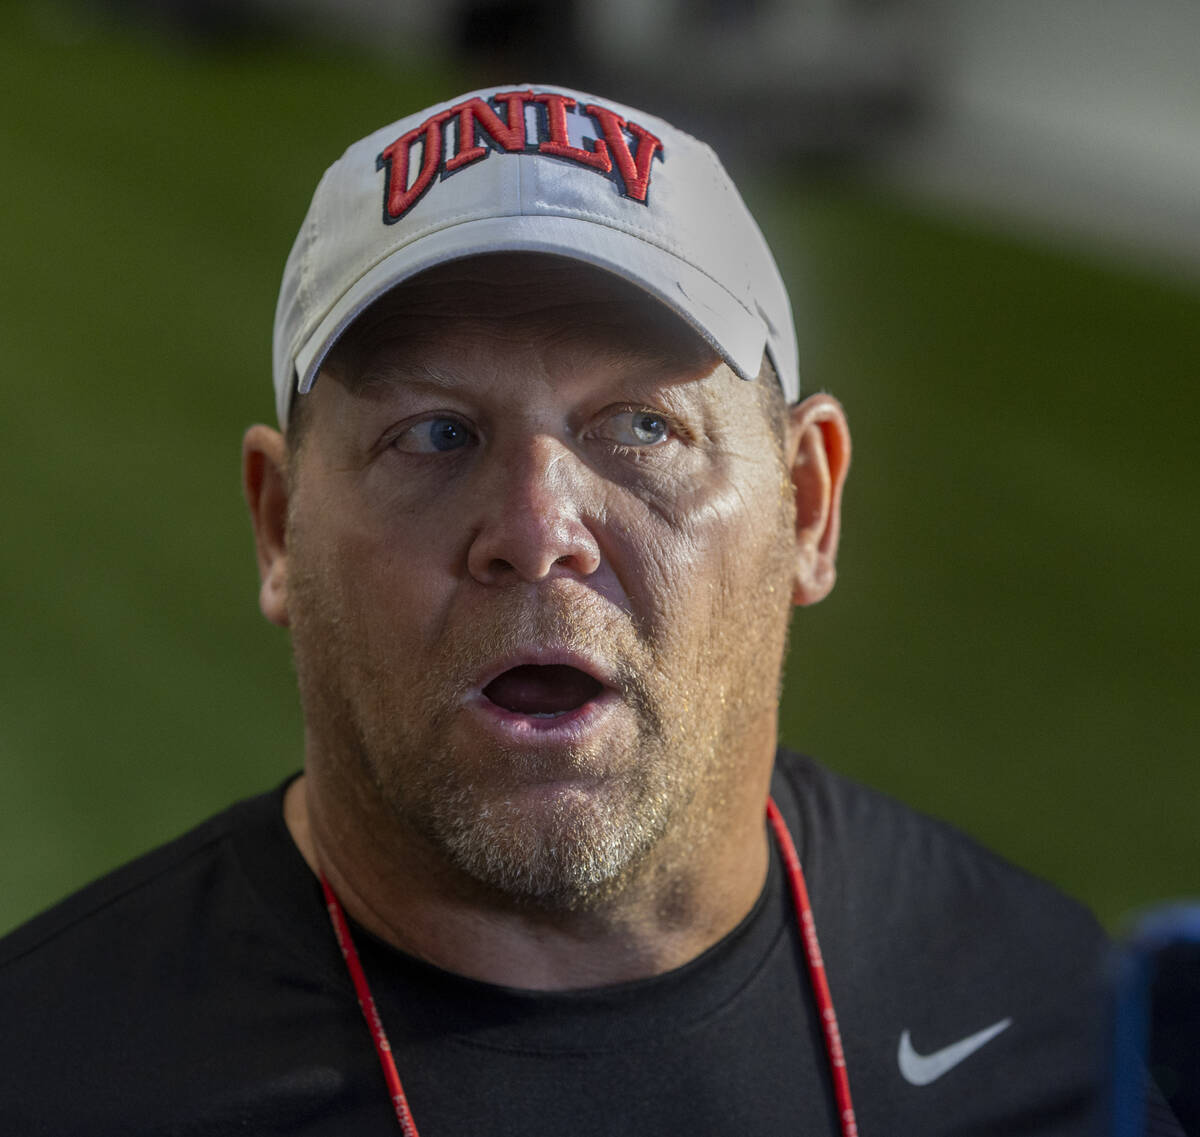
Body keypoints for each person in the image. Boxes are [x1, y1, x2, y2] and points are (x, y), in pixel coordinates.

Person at [0, 84, 1150, 1137]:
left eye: (643, 427)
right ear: (276, 530)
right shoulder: (50, 1077)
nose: (539, 529)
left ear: (808, 504)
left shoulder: (1046, 1017)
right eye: (434, 434)